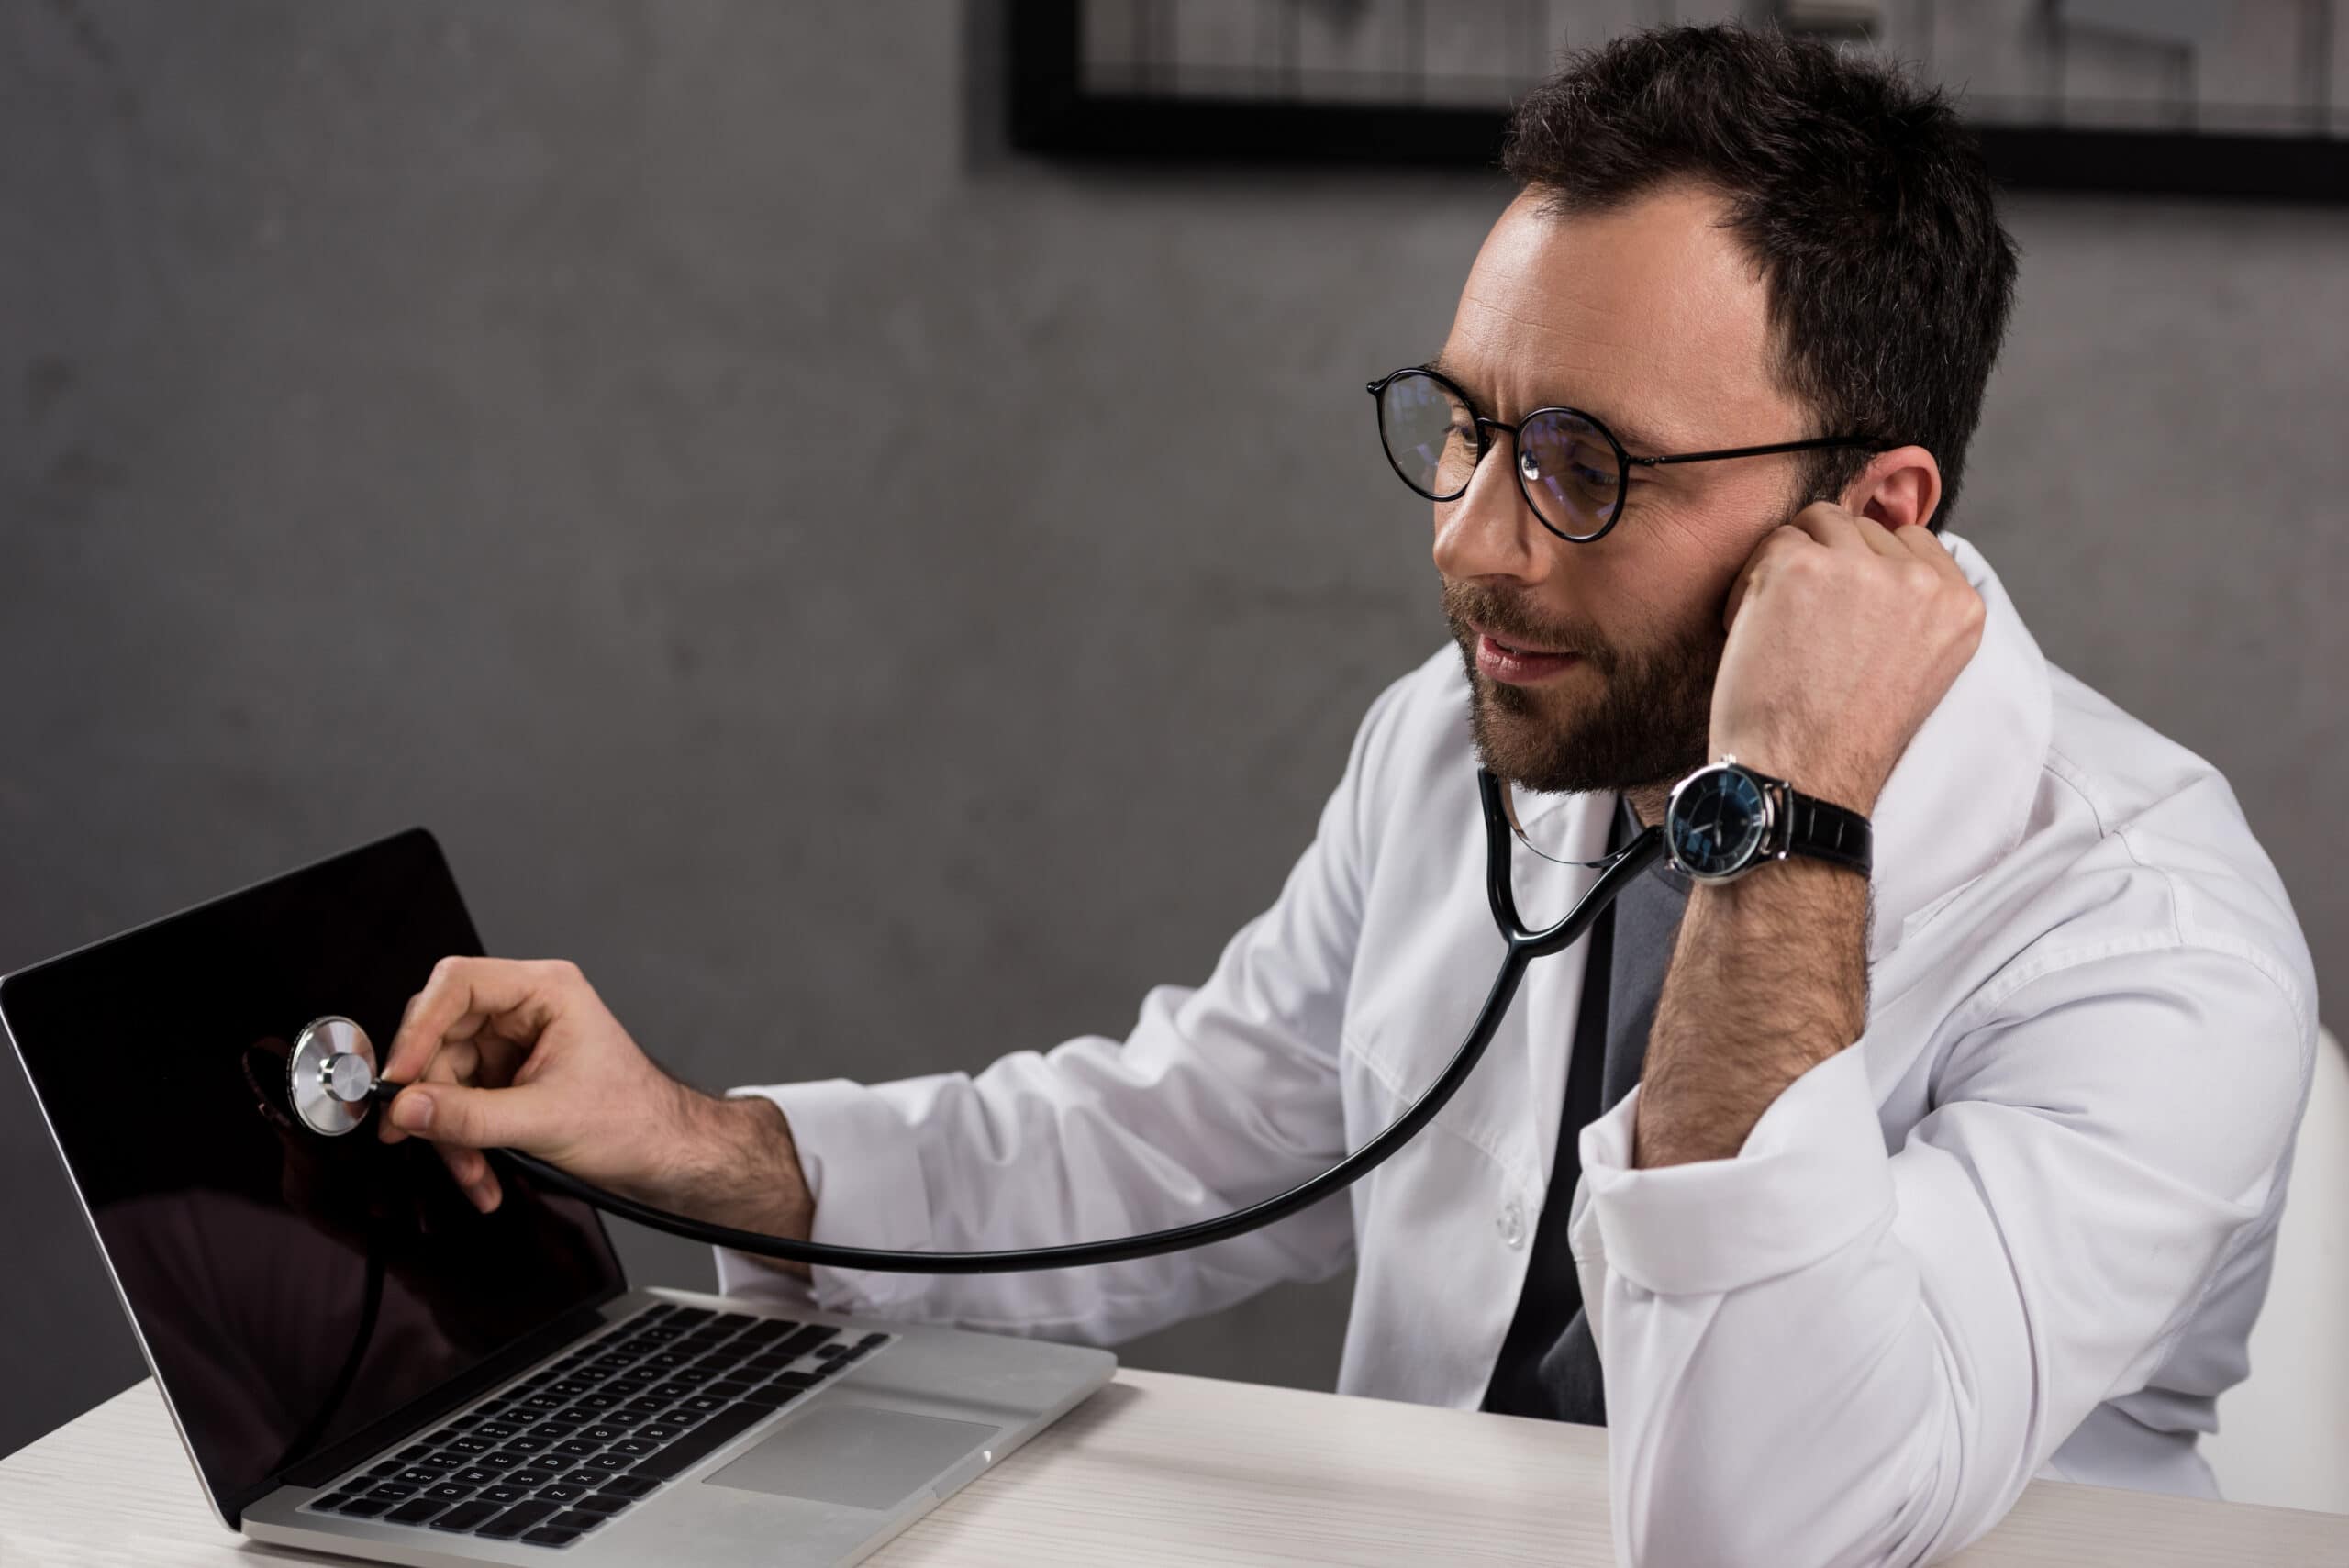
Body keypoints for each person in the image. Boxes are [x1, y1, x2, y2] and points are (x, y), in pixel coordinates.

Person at [373, 26, 2316, 1567]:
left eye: (1581, 466)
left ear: (1869, 517)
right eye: (1464, 427)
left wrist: (1783, 805)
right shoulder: (1462, 738)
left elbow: (1766, 1529)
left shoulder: (2152, 938)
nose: (1473, 545)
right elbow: (1176, 1141)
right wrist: (695, 1142)